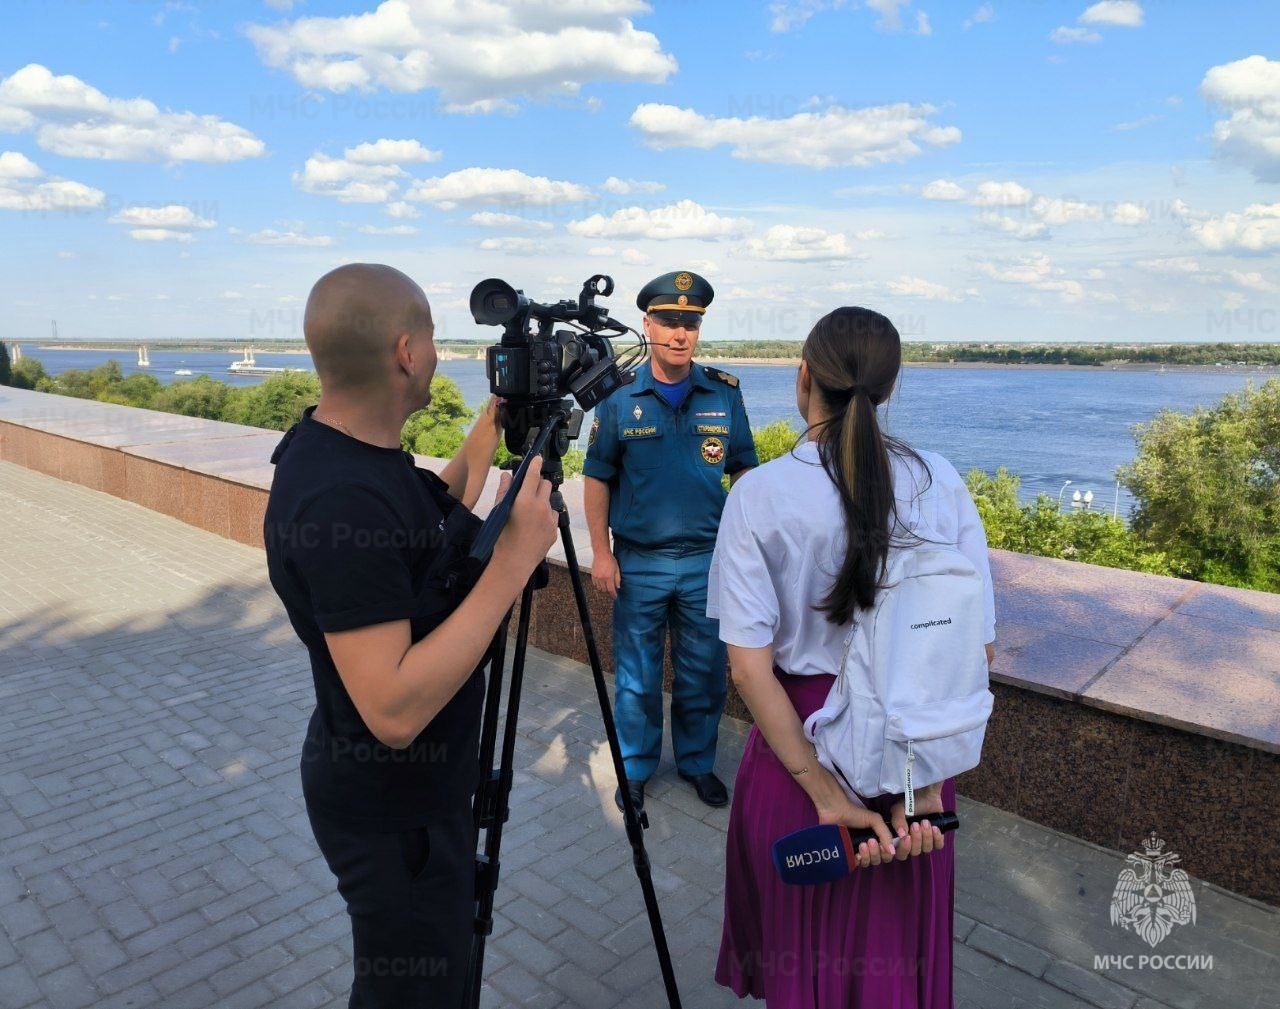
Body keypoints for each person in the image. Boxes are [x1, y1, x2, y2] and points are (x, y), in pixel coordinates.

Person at [263, 264, 558, 1008]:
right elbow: (392, 709)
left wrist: (489, 432)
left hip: (417, 799)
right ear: (405, 351)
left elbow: (426, 521)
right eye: (429, 338)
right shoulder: (343, 499)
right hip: (395, 815)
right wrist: (514, 562)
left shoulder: (346, 452)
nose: (435, 353)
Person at [708, 307, 997, 1007]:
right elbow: (974, 647)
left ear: (803, 377)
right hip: (917, 761)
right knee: (897, 966)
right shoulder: (941, 482)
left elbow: (749, 668)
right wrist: (923, 784)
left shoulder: (758, 495)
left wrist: (827, 794)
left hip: (797, 750)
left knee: (801, 962)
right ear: (889, 390)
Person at [584, 270, 759, 812]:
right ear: (648, 324)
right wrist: (602, 552)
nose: (680, 333)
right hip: (639, 563)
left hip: (707, 563)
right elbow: (596, 476)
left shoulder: (723, 395)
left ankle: (697, 765)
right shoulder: (619, 398)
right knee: (636, 675)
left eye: (690, 323)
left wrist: (748, 552)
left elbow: (745, 475)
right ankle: (635, 767)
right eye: (668, 321)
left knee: (703, 673)